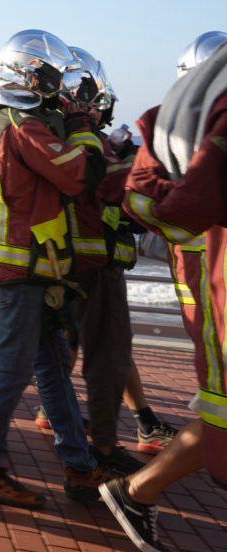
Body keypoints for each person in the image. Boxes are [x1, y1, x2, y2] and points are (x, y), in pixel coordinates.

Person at [0, 29, 109, 508]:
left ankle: (78, 463)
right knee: (13, 368)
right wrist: (83, 124)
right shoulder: (24, 124)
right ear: (29, 74)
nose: (58, 86)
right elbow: (79, 173)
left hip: (16, 267)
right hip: (19, 270)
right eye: (51, 76)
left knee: (53, 366)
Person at [100, 38, 227, 551]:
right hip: (213, 289)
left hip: (204, 286)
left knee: (216, 413)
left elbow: (139, 200)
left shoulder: (171, 135)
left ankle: (137, 487)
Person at [57, 48, 145, 476]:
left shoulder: (45, 131)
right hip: (96, 267)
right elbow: (112, 183)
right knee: (108, 357)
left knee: (51, 352)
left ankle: (41, 418)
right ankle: (105, 448)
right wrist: (141, 157)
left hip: (55, 265)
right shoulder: (87, 139)